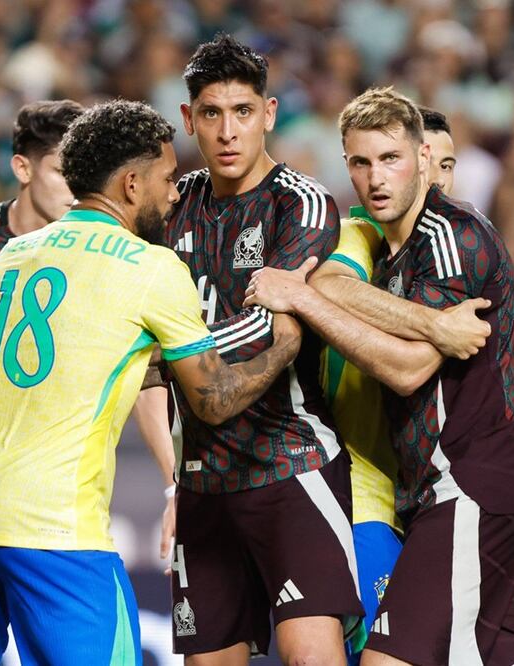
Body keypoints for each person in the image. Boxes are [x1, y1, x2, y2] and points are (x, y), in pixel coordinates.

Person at [0, 100, 301, 665]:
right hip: (54, 527)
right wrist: (281, 350)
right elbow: (215, 401)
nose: (176, 193)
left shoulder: (10, 255)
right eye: (169, 179)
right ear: (131, 184)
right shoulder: (150, 267)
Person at [245, 86, 514, 665]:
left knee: (385, 659)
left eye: (391, 158)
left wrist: (304, 301)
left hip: (468, 486)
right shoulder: (391, 253)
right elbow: (338, 286)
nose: (376, 177)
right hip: (441, 491)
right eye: (361, 162)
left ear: (423, 160)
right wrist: (430, 323)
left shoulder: (451, 237)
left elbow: (407, 373)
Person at [0, 99, 181, 657]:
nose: (72, 186)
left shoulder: (102, 258)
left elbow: (146, 377)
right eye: (59, 170)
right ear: (23, 169)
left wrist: (173, 482)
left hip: (11, 497)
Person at [165, 33, 362, 664]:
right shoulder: (174, 204)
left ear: (269, 114)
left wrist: (168, 353)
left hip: (290, 464)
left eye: (244, 112)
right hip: (201, 479)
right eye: (213, 114)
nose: (228, 131)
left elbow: (267, 322)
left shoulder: (300, 202)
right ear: (188, 118)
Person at [316, 104, 493, 664]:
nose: (435, 180)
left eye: (447, 166)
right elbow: (330, 280)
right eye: (425, 163)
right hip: (365, 496)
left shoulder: (454, 252)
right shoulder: (360, 234)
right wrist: (435, 326)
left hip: (434, 499)